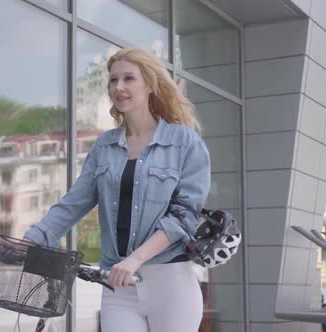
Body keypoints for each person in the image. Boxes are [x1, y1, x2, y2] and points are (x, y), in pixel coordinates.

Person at [23, 47, 210, 331]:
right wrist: (34, 238)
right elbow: (75, 202)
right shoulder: (105, 146)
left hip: (170, 284)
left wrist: (135, 260)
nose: (118, 87)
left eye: (128, 79)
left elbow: (183, 216)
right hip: (118, 286)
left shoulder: (184, 142)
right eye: (113, 80)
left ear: (149, 84)